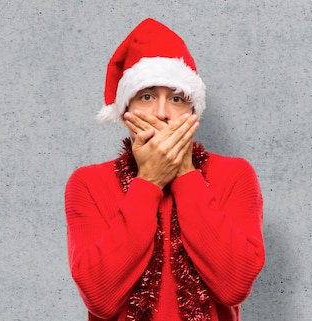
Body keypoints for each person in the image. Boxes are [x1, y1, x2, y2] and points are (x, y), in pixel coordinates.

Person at [64, 18, 265, 321]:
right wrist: (148, 182)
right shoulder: (88, 183)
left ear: (192, 111)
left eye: (176, 98)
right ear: (126, 110)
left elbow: (233, 286)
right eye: (146, 96)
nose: (161, 113)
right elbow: (100, 298)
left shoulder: (235, 175)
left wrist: (184, 171)